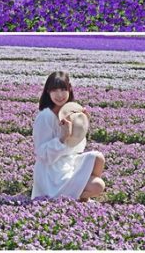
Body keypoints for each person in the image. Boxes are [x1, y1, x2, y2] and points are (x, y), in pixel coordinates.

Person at [32, 71, 105, 202]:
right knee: (98, 186)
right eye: (54, 90)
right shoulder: (45, 117)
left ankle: (79, 196)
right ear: (48, 92)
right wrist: (62, 138)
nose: (59, 95)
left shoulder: (71, 113)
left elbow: (77, 148)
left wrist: (81, 126)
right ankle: (71, 198)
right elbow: (42, 154)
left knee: (98, 158)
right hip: (52, 173)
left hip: (69, 162)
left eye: (63, 89)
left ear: (69, 89)